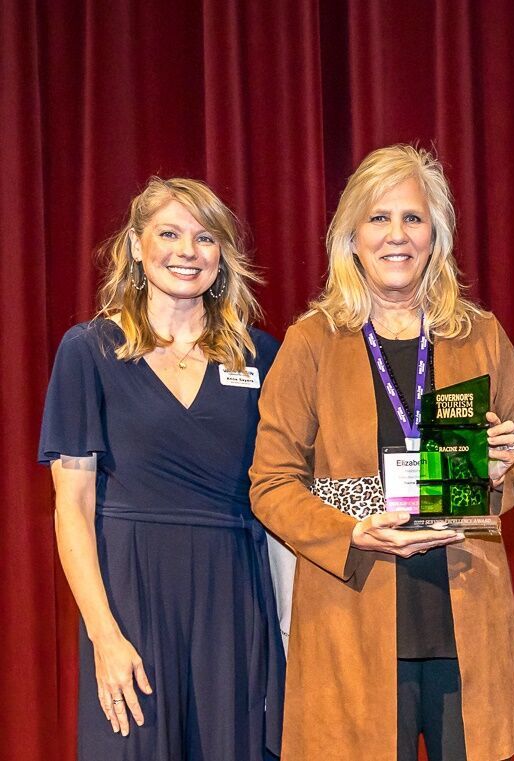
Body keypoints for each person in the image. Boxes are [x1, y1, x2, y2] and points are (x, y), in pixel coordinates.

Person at [249, 144, 514, 761]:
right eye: (378, 218)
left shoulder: (479, 335)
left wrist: (494, 471)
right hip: (352, 612)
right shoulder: (311, 342)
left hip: (463, 616)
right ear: (351, 236)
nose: (396, 235)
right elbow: (270, 485)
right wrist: (351, 533)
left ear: (437, 236)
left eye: (413, 218)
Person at [39, 177, 284, 759]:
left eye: (204, 238)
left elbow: (297, 479)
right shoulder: (88, 350)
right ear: (135, 246)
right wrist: (104, 634)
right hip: (132, 596)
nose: (187, 251)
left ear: (221, 255)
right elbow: (71, 507)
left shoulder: (261, 356)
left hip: (235, 598)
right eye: (169, 233)